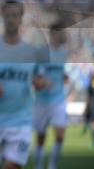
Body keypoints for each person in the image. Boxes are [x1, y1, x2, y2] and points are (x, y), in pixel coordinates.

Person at [0, 1, 48, 169]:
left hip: (21, 121)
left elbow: (41, 79)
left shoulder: (31, 52)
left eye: (15, 15)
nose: (11, 19)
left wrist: (40, 83)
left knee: (13, 165)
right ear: (2, 17)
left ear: (21, 19)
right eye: (8, 15)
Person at [33, 24, 69, 169]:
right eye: (62, 32)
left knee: (60, 136)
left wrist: (64, 77)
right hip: (41, 100)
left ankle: (52, 165)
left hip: (58, 99)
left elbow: (62, 73)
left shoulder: (64, 53)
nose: (64, 35)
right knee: (41, 138)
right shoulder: (41, 53)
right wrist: (40, 81)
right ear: (54, 33)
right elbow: (34, 74)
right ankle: (38, 165)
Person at [81, 70, 94, 149]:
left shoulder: (92, 85)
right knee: (91, 121)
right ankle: (86, 128)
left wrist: (87, 106)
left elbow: (89, 97)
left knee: (93, 124)